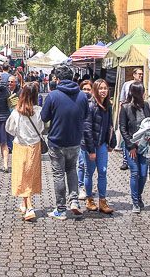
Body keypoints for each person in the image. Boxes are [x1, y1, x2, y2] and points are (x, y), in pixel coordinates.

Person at [40, 65, 89, 220]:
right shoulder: (82, 96)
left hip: (57, 141)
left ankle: (61, 209)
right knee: (72, 170)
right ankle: (74, 200)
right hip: (75, 141)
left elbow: (44, 117)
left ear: (58, 79)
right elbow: (86, 115)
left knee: (58, 174)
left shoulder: (53, 95)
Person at [4, 82, 44, 222]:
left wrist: (19, 133)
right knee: (30, 174)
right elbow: (41, 128)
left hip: (20, 145)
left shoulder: (17, 112)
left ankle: (30, 207)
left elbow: (9, 128)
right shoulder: (39, 111)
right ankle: (24, 204)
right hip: (34, 146)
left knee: (22, 175)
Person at [119, 82, 150, 212]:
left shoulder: (146, 106)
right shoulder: (126, 108)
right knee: (135, 172)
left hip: (144, 146)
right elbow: (122, 128)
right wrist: (131, 145)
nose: (144, 94)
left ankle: (138, 196)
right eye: (142, 91)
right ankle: (135, 202)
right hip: (131, 146)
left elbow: (149, 123)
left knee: (143, 174)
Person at [82, 78, 114, 214]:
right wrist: (91, 150)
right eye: (100, 88)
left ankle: (102, 200)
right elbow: (87, 129)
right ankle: (89, 199)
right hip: (89, 145)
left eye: (105, 88)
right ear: (95, 90)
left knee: (103, 172)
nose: (103, 91)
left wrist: (111, 143)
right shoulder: (90, 106)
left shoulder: (108, 106)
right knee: (89, 172)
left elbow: (110, 126)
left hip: (101, 144)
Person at [118, 68, 143, 170]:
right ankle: (125, 160)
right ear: (134, 74)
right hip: (128, 112)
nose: (141, 76)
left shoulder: (142, 86)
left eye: (142, 74)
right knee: (126, 135)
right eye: (139, 74)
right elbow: (122, 99)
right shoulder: (127, 84)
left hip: (138, 112)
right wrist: (122, 112)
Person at [76, 78, 93, 201]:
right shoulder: (77, 102)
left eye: (88, 89)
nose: (86, 91)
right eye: (84, 89)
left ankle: (87, 186)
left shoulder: (95, 103)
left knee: (89, 165)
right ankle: (80, 186)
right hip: (80, 137)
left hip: (92, 138)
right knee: (81, 163)